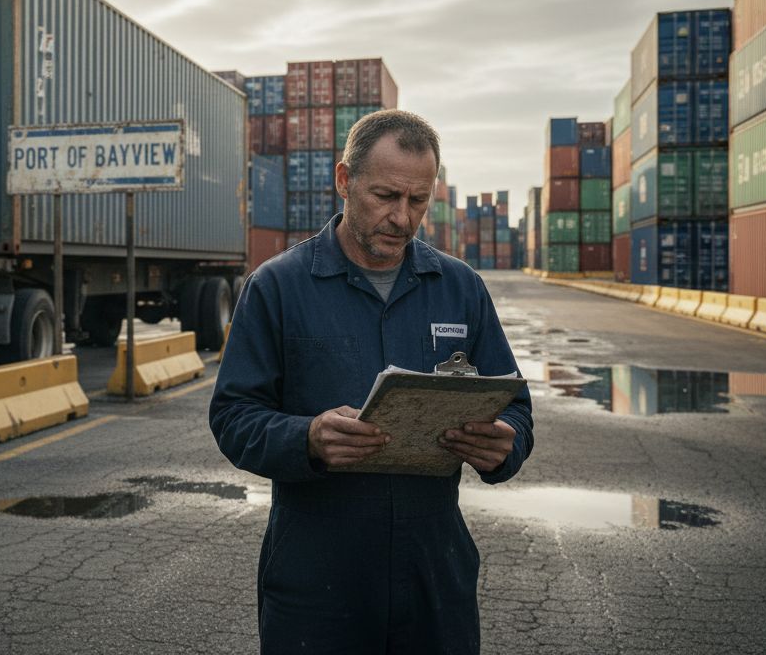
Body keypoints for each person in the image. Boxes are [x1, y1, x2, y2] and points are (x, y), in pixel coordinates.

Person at [210, 109, 533, 654]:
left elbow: (516, 405)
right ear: (345, 180)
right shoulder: (277, 287)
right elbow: (233, 415)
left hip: (434, 571)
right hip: (315, 576)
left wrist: (507, 443)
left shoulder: (460, 288)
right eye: (385, 196)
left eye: (418, 201)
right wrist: (307, 438)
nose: (402, 218)